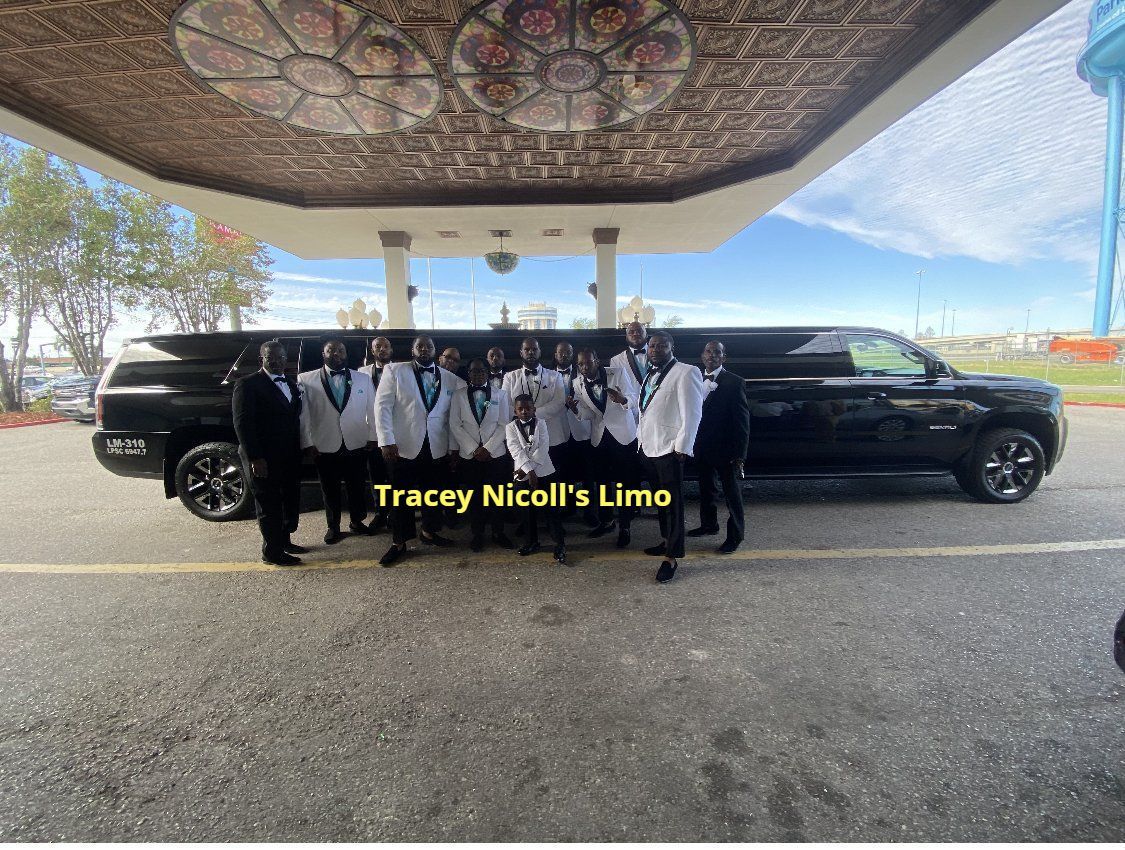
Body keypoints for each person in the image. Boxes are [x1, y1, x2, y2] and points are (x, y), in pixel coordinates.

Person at [374, 335, 458, 566]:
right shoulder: (394, 371)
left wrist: (452, 448)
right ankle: (399, 542)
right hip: (402, 446)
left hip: (436, 446)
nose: (424, 349)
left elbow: (454, 416)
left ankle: (429, 532)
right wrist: (386, 440)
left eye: (429, 346)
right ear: (413, 349)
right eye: (419, 345)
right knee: (401, 498)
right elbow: (382, 407)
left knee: (433, 495)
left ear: (435, 350)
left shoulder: (450, 379)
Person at [636, 331, 704, 583]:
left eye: (661, 346)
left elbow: (693, 413)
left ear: (672, 347)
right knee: (660, 501)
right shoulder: (649, 374)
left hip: (670, 449)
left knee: (673, 505)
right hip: (648, 447)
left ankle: (672, 558)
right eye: (651, 345)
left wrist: (683, 447)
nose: (654, 349)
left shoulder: (686, 372)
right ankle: (666, 542)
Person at [232, 340, 306, 566]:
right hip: (263, 457)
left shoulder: (291, 384)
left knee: (287, 500)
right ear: (261, 360)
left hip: (288, 454)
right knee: (269, 504)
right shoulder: (248, 384)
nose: (277, 361)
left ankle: (284, 541)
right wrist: (255, 457)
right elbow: (243, 424)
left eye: (282, 357)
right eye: (271, 357)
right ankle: (271, 552)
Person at [298, 339, 378, 544]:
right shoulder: (306, 379)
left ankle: (357, 522)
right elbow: (304, 415)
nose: (337, 354)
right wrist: (307, 442)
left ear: (346, 354)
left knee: (357, 485)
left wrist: (373, 436)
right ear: (323, 354)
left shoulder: (363, 379)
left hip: (357, 440)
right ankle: (333, 527)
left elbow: (372, 410)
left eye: (341, 351)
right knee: (329, 488)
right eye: (331, 350)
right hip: (324, 443)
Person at [568, 348, 638, 549]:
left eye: (588, 362)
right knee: (603, 484)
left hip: (623, 436)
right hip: (599, 438)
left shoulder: (617, 373)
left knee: (625, 484)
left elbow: (633, 398)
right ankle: (607, 521)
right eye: (580, 364)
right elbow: (589, 413)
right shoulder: (577, 383)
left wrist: (623, 399)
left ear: (597, 361)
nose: (584, 367)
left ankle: (625, 526)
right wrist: (576, 410)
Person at [690, 340, 751, 554]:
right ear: (702, 355)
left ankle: (735, 536)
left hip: (725, 449)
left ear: (723, 358)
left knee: (732, 494)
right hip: (701, 447)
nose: (712, 355)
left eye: (717, 352)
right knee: (706, 489)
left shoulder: (734, 382)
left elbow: (742, 422)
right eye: (708, 351)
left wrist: (739, 455)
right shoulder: (694, 378)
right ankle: (708, 525)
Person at [450, 358, 513, 552]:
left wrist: (488, 448)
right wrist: (473, 448)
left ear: (487, 373)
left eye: (481, 371)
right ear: (468, 374)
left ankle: (498, 532)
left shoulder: (501, 395)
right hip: (470, 456)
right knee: (474, 497)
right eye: (473, 371)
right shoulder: (458, 395)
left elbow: (504, 424)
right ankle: (477, 534)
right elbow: (454, 424)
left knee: (497, 496)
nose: (477, 374)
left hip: (495, 454)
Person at [505, 393, 566, 563]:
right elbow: (514, 450)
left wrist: (529, 470)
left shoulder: (542, 424)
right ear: (515, 411)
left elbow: (543, 447)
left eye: (528, 408)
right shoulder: (510, 427)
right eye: (520, 409)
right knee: (526, 511)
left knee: (552, 510)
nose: (524, 411)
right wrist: (529, 472)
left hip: (545, 471)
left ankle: (560, 543)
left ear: (534, 409)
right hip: (523, 474)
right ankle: (531, 542)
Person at [502, 337, 568, 477]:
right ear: (521, 353)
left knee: (554, 482)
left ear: (540, 352)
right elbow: (505, 405)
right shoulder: (510, 377)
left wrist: (532, 413)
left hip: (552, 437)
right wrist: (525, 416)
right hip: (521, 439)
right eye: (527, 349)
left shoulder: (555, 376)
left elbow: (559, 403)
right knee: (524, 483)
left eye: (534, 349)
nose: (531, 352)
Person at [554, 340, 598, 526]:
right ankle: (569, 507)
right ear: (555, 355)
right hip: (559, 430)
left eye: (568, 352)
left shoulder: (584, 373)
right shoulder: (547, 376)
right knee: (564, 473)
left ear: (573, 355)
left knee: (587, 474)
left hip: (582, 430)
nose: (564, 355)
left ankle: (589, 511)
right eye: (561, 352)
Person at [360, 336, 394, 532]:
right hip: (372, 437)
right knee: (377, 477)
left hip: (394, 435)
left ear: (391, 349)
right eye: (378, 347)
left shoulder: (401, 371)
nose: (382, 349)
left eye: (385, 346)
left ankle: (397, 512)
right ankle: (381, 513)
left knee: (395, 477)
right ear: (372, 351)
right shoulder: (361, 373)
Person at [610, 321, 651, 400]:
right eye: (631, 332)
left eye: (639, 331)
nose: (635, 334)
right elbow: (617, 388)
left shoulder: (659, 355)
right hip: (631, 408)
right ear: (626, 337)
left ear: (646, 335)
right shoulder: (616, 360)